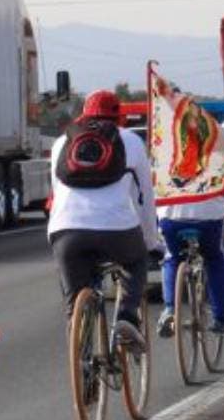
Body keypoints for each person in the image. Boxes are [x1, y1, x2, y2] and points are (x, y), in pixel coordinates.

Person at [48, 89, 158, 351]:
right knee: (136, 259)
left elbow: (55, 194)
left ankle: (83, 365)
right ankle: (127, 317)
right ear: (119, 117)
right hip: (117, 229)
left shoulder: (61, 143)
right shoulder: (131, 141)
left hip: (66, 230)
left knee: (74, 303)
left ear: (83, 116)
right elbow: (145, 197)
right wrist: (150, 241)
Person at [156, 118, 224, 337]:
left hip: (171, 220)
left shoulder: (166, 157)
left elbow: (154, 194)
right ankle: (220, 317)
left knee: (172, 258)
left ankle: (170, 308)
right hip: (209, 222)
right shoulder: (220, 160)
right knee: (216, 259)